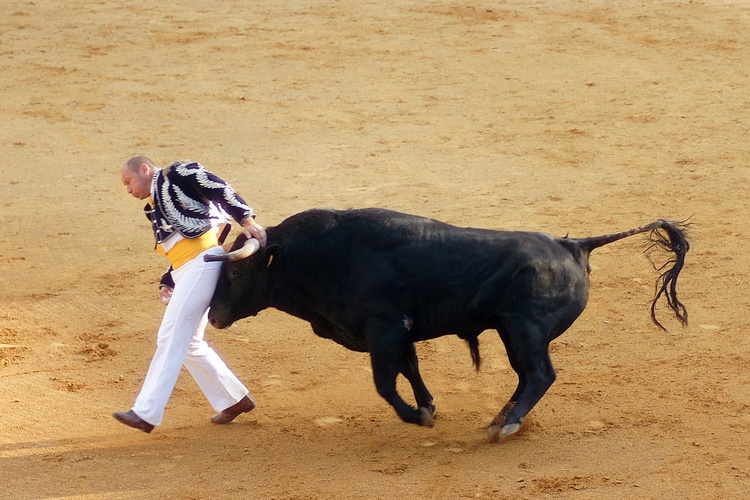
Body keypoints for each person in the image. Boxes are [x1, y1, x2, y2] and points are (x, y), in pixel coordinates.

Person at [113, 155, 266, 433]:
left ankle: (146, 412)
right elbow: (181, 245)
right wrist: (168, 279)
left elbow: (218, 187)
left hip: (202, 264)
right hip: (188, 268)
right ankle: (234, 400)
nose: (128, 190)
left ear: (144, 169)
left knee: (170, 337)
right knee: (190, 343)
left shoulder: (178, 174)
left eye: (129, 181)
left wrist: (246, 218)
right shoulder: (154, 203)